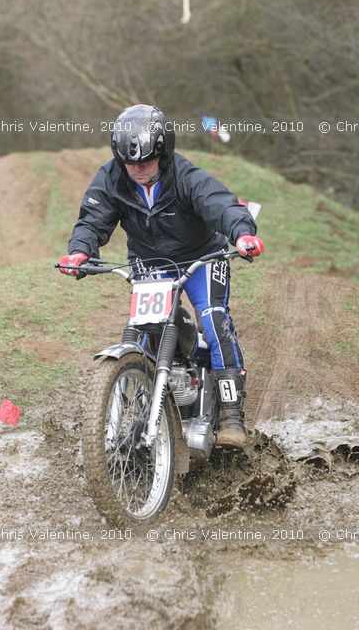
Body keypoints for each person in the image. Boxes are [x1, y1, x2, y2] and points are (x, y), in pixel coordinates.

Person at [58, 104, 264, 449]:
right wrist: (80, 251)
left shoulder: (185, 176)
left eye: (145, 162)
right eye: (130, 162)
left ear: (163, 152)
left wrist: (242, 233)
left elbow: (220, 204)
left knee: (213, 319)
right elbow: (93, 220)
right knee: (141, 329)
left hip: (202, 257)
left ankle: (232, 417)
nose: (137, 169)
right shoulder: (111, 178)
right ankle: (124, 418)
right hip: (149, 261)